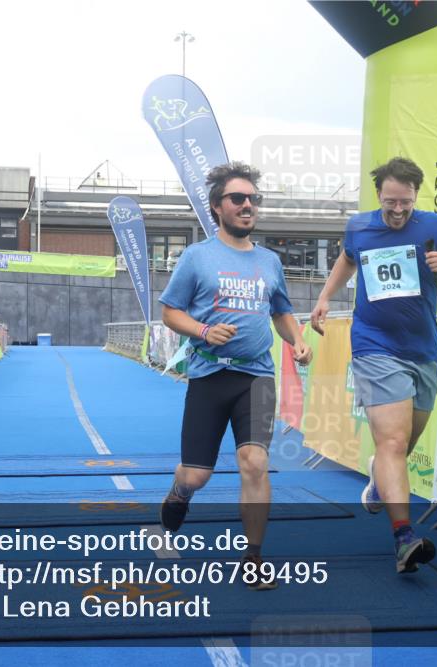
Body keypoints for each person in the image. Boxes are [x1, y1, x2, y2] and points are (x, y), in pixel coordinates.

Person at [310, 156, 437, 574]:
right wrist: (325, 296)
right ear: (378, 195)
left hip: (424, 351)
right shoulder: (359, 227)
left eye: (405, 202)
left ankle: (379, 479)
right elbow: (348, 259)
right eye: (391, 202)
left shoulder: (435, 226)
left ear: (415, 196)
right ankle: (404, 537)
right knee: (391, 443)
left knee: (401, 446)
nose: (398, 210)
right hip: (374, 346)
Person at [158, 161, 312, 589]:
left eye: (253, 199)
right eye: (238, 198)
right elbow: (170, 312)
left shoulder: (270, 262)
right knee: (197, 475)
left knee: (255, 462)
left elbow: (281, 312)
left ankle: (253, 557)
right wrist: (204, 330)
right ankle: (179, 491)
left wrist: (297, 340)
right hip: (209, 376)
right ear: (217, 206)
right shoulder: (197, 257)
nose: (248, 205)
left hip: (256, 377)